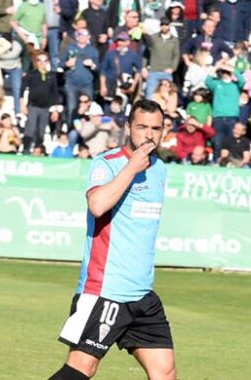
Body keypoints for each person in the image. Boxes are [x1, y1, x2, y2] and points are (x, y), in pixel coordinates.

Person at [49, 99, 175, 380]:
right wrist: (131, 168)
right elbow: (97, 205)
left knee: (164, 373)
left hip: (142, 295)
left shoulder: (160, 169)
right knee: (81, 368)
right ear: (129, 127)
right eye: (142, 127)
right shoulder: (107, 163)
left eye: (156, 128)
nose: (149, 134)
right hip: (106, 291)